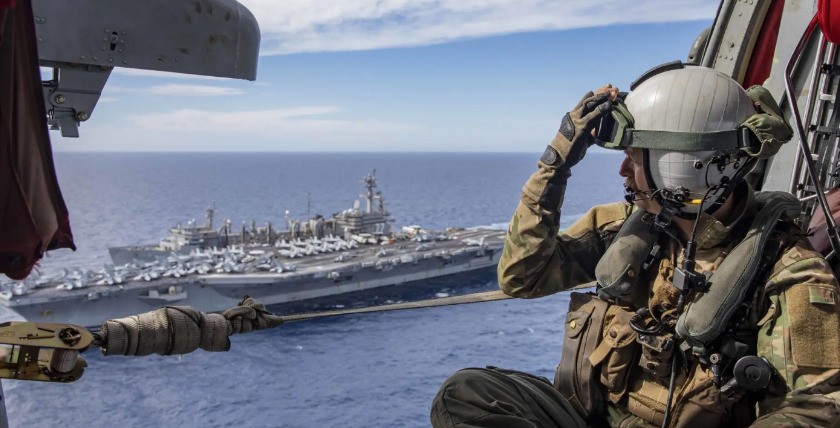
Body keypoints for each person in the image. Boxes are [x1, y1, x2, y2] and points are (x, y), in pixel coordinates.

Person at [430, 64, 840, 427]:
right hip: (594, 415)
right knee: (466, 393)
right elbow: (523, 277)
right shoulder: (627, 231)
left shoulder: (790, 273)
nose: (624, 170)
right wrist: (555, 165)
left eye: (636, 157)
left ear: (685, 166)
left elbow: (814, 410)